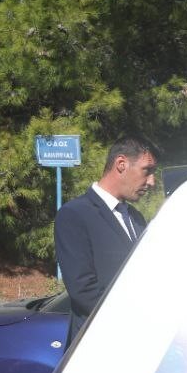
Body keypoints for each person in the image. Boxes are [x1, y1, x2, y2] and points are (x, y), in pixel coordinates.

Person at [53, 135, 158, 341]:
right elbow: (84, 291)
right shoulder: (75, 214)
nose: (152, 182)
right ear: (121, 164)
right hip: (98, 342)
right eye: (147, 171)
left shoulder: (135, 217)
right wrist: (138, 320)